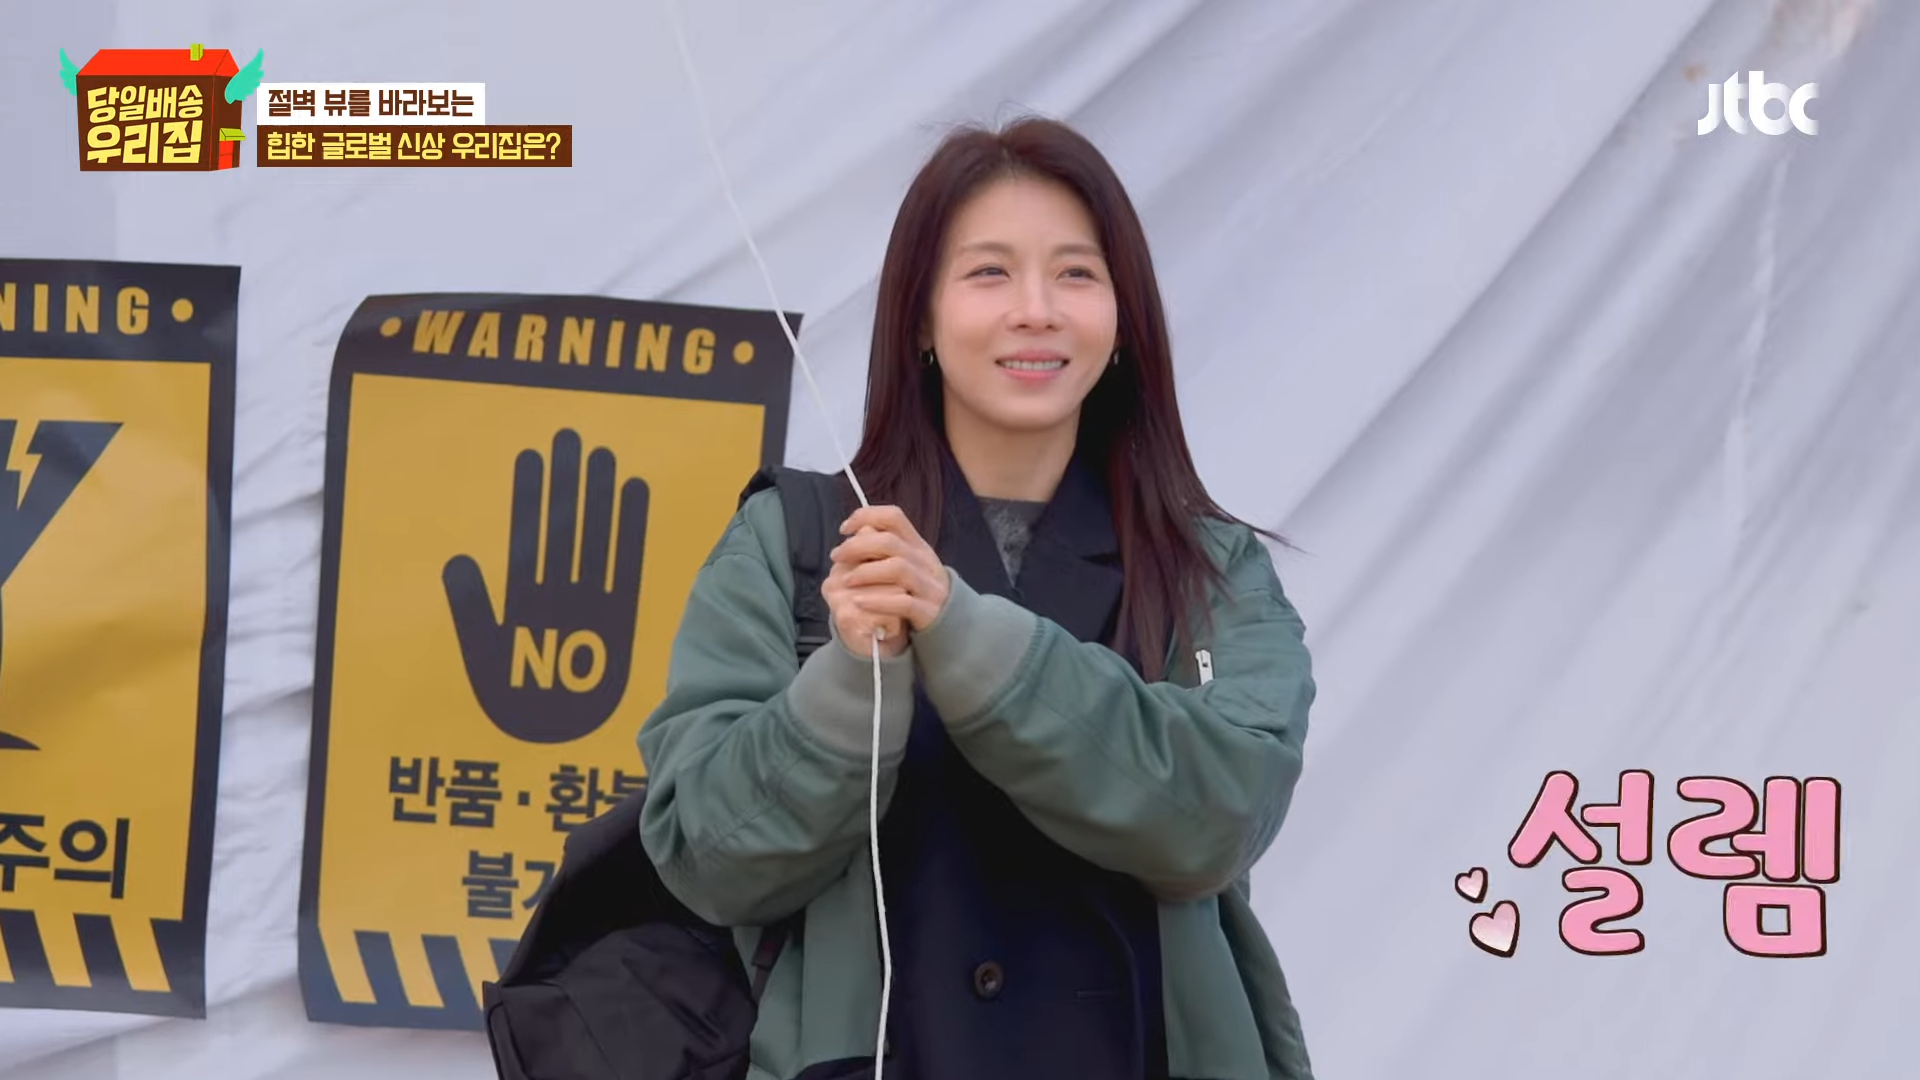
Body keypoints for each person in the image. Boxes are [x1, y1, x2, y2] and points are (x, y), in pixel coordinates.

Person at [637, 115, 1316, 1080]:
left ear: (1123, 319)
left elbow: (1221, 814)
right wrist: (846, 685)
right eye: (989, 272)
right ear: (919, 318)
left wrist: (964, 634)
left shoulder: (1209, 563)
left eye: (1075, 274)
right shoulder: (793, 542)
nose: (1035, 310)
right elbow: (706, 857)